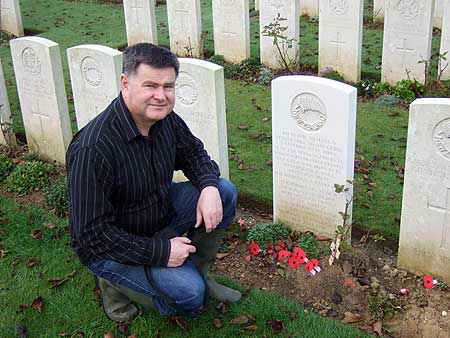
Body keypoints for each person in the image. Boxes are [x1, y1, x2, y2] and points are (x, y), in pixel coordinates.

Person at [66, 43, 241, 322]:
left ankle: (199, 273)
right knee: (189, 296)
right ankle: (114, 284)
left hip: (157, 213)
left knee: (223, 190)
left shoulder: (165, 119)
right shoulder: (93, 149)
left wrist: (208, 186)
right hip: (116, 244)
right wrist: (161, 252)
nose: (161, 96)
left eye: (168, 86)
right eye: (150, 85)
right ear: (126, 83)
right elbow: (91, 235)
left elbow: (194, 153)